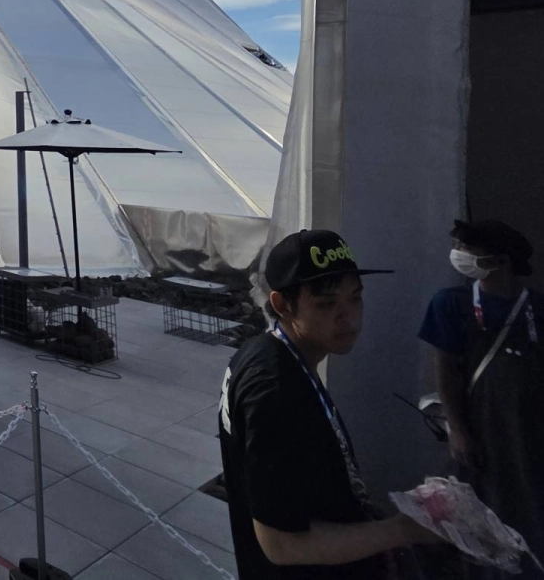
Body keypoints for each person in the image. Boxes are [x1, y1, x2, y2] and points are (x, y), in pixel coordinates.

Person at [219, 229, 438, 580]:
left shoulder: (269, 352)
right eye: (325, 304)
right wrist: (404, 530)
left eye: (355, 298)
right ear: (281, 305)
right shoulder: (274, 390)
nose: (347, 317)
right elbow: (281, 544)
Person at [419, 218, 542, 565]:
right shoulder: (451, 304)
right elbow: (446, 369)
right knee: (479, 515)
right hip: (480, 431)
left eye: (467, 248)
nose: (458, 254)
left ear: (500, 261)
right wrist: (457, 429)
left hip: (527, 432)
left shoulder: (536, 308)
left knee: (528, 508)